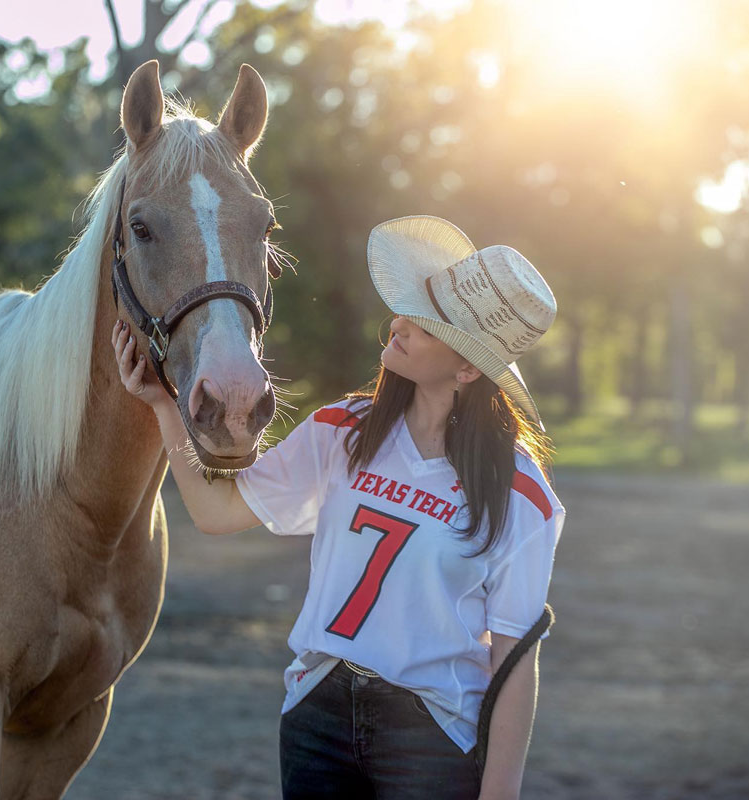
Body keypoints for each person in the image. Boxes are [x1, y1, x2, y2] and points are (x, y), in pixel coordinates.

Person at [111, 215, 565, 800]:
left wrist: (499, 794)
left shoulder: (521, 495)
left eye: (426, 324)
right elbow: (215, 513)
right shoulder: (343, 431)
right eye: (409, 307)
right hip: (317, 716)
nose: (399, 322)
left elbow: (513, 663)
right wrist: (161, 403)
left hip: (430, 735)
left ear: (467, 366)